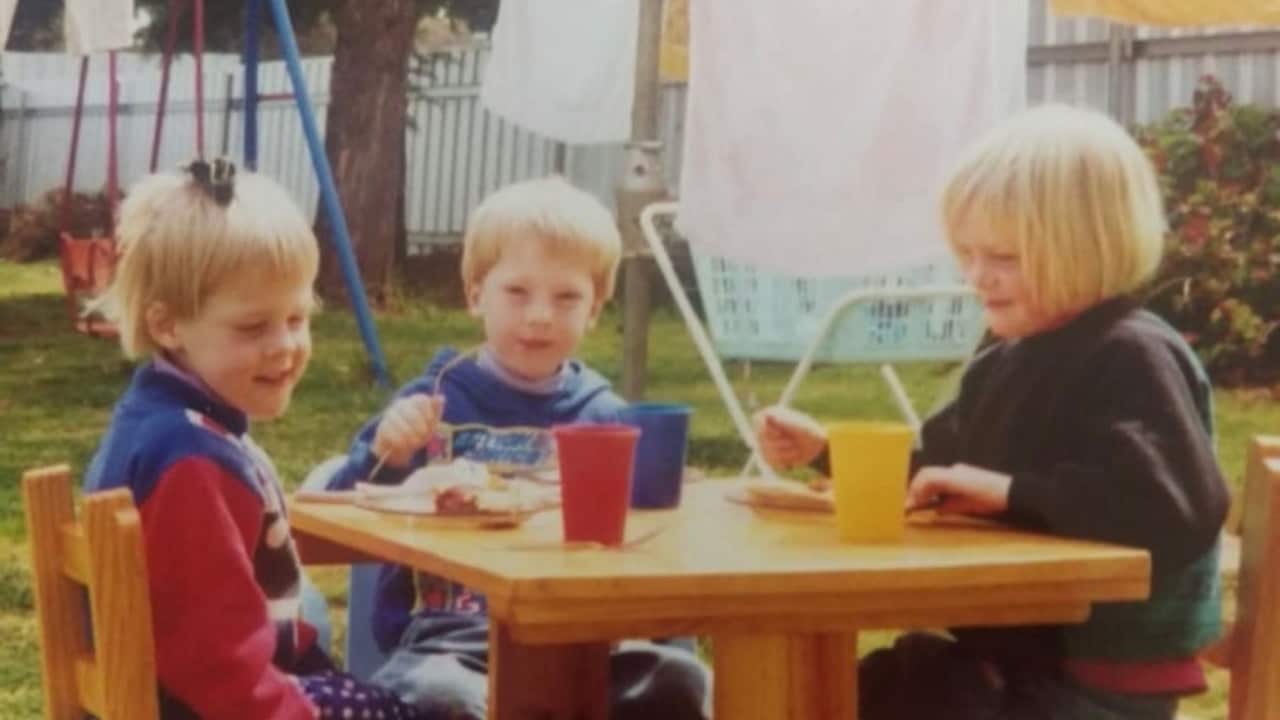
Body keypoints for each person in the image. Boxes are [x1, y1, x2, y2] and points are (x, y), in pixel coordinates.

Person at [755, 105, 1229, 720]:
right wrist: (827, 450)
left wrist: (1010, 492)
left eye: (1003, 258)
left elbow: (1169, 506)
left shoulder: (1132, 355)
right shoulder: (1006, 354)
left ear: (1089, 246)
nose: (978, 277)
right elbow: (942, 467)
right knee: (845, 693)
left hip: (1094, 684)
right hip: (1014, 656)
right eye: (968, 254)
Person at [326, 176, 709, 719]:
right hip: (451, 640)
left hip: (588, 642)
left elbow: (655, 545)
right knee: (446, 699)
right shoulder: (432, 402)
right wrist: (390, 453)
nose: (539, 316)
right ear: (475, 293)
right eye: (518, 292)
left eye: (567, 297)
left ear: (596, 308)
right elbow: (343, 512)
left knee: (678, 679)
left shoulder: (605, 417)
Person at [84, 160, 427, 720]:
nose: (284, 345)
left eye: (297, 317)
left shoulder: (160, 419)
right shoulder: (192, 460)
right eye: (253, 327)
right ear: (168, 325)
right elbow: (213, 663)